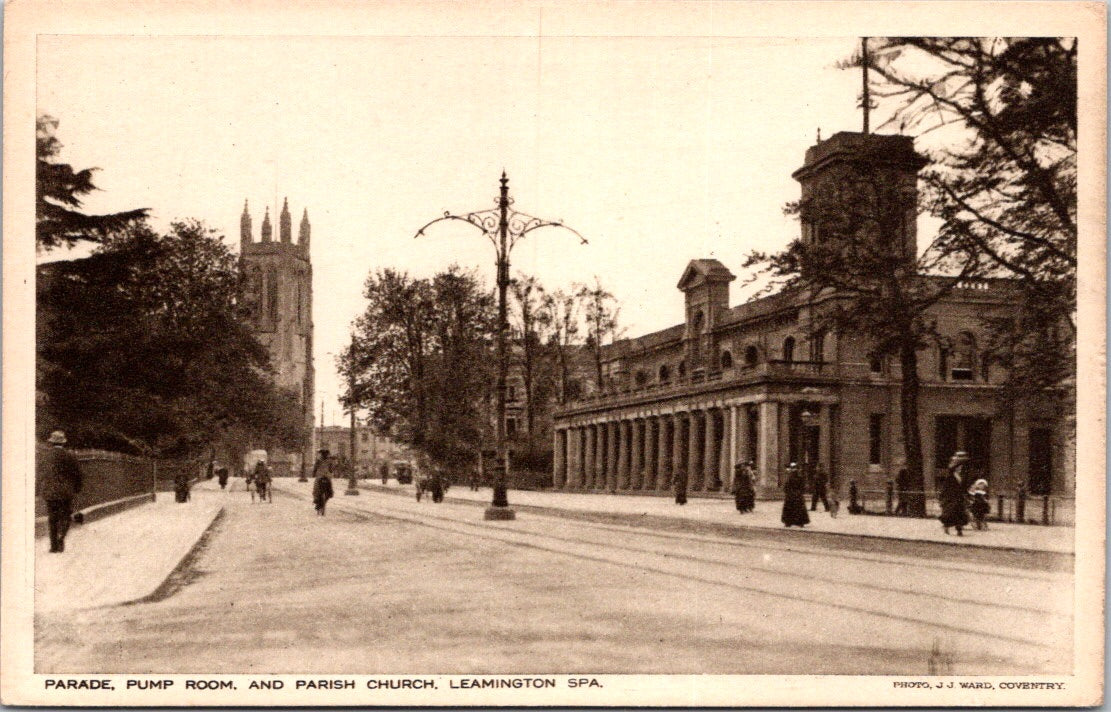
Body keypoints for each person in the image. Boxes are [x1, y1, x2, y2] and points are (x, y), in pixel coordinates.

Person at [38, 430, 83, 553]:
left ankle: (53, 546)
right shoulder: (70, 456)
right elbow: (77, 474)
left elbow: (40, 474)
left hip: (50, 491)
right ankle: (61, 537)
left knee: (52, 517)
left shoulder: (45, 456)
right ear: (63, 443)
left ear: (51, 443)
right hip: (66, 491)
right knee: (66, 515)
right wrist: (77, 488)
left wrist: (39, 489)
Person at [938, 451, 971, 535]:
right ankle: (946, 527)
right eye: (958, 467)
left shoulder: (962, 476)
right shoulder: (950, 476)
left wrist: (967, 495)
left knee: (960, 514)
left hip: (959, 497)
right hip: (950, 497)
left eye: (960, 467)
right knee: (950, 513)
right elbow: (945, 487)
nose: (960, 469)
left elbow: (964, 486)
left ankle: (959, 530)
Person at [780, 463, 810, 528]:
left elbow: (786, 487)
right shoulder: (800, 478)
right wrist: (800, 492)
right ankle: (800, 522)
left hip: (790, 495)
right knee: (799, 509)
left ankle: (788, 522)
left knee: (790, 509)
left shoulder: (789, 477)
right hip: (798, 495)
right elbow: (803, 487)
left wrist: (787, 492)